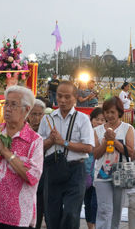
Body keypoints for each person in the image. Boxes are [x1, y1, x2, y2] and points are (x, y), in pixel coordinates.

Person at [0, 85, 44, 228]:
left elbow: (32, 176)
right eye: (6, 103)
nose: (8, 108)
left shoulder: (34, 140)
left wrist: (6, 153)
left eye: (13, 104)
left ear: (27, 110)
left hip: (16, 215)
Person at [38, 81, 95, 229]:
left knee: (71, 213)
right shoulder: (48, 118)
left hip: (75, 170)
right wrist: (50, 141)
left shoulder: (82, 119)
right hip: (53, 169)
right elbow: (38, 147)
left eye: (67, 97)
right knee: (52, 214)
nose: (62, 100)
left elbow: (88, 147)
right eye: (59, 96)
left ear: (75, 97)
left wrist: (64, 142)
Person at [93, 96, 135, 229]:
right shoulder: (97, 130)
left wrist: (115, 141)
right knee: (104, 210)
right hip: (102, 173)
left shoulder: (127, 128)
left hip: (121, 171)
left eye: (112, 112)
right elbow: (95, 154)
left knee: (117, 210)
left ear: (119, 112)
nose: (109, 115)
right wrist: (105, 141)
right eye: (106, 112)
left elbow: (131, 153)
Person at [84, 108, 105, 229]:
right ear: (91, 120)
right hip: (86, 173)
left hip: (100, 174)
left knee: (96, 203)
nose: (99, 122)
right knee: (87, 203)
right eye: (97, 119)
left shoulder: (106, 134)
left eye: (103, 120)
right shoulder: (86, 133)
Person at [26, 99, 46, 229]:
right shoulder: (23, 129)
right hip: (25, 173)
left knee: (39, 205)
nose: (37, 118)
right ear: (27, 114)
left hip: (43, 175)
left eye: (40, 114)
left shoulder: (48, 130)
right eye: (34, 114)